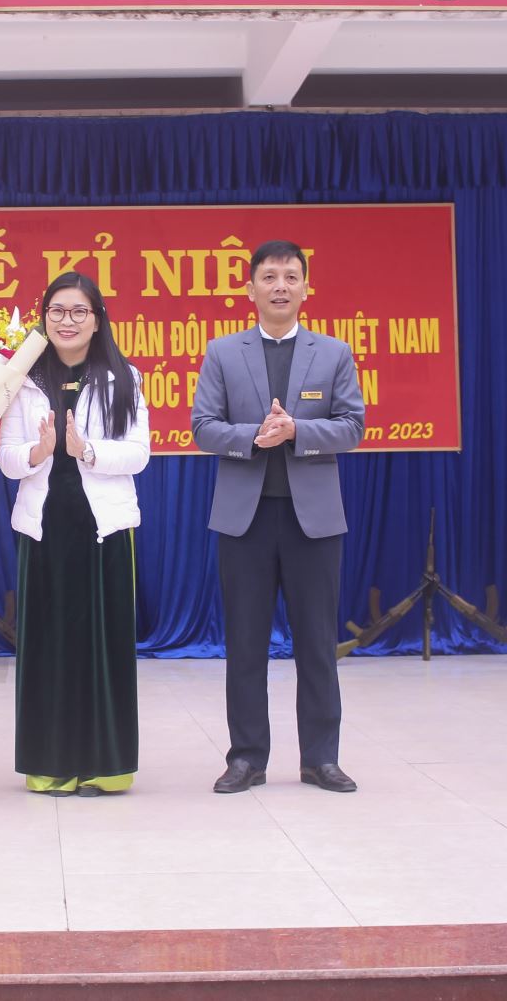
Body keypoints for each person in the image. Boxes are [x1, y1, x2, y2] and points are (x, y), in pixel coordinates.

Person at [191, 240, 365, 796]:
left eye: (291, 276)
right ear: (250, 289)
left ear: (307, 287)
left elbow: (352, 426)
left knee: (316, 644)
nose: (281, 286)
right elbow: (203, 427)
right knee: (245, 645)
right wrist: (254, 437)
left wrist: (297, 432)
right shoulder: (223, 352)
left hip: (314, 521)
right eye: (269, 277)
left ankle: (321, 759)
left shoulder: (333, 353)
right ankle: (247, 758)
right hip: (245, 520)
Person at [0, 272, 149, 796]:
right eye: (57, 311)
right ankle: (50, 765)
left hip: (104, 527)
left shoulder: (124, 377)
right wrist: (38, 452)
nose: (67, 321)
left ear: (97, 320)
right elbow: (7, 459)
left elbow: (139, 453)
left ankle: (108, 766)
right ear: (44, 318)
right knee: (48, 647)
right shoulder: (20, 379)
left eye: (79, 311)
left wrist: (86, 449)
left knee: (105, 647)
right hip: (44, 528)